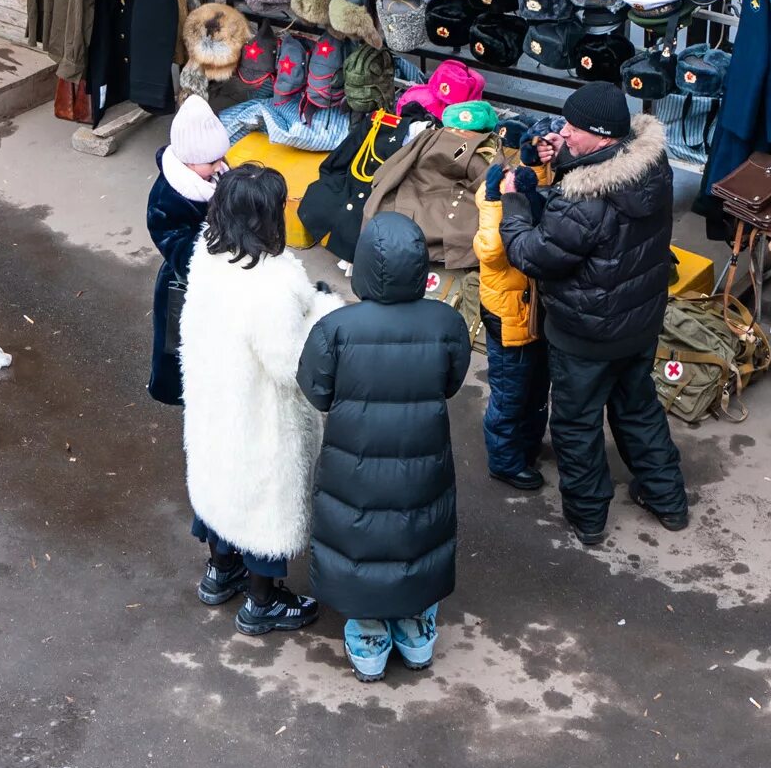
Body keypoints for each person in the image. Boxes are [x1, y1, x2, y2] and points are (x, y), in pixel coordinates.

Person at [499, 83, 688, 546]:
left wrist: (515, 203)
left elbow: (533, 255)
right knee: (638, 409)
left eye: (573, 128)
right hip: (638, 323)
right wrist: (563, 157)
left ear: (603, 138)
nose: (563, 132)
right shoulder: (651, 165)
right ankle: (669, 502)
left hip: (585, 335)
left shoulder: (583, 201)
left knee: (577, 424)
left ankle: (588, 518)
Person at [299, 213, 471, 682]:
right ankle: (416, 633)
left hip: (352, 460)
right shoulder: (446, 321)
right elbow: (451, 384)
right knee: (416, 531)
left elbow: (315, 391)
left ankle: (369, 635)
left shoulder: (336, 328)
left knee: (361, 534)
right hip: (424, 454)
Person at [181, 164, 339, 634]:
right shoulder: (273, 284)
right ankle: (262, 602)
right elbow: (289, 366)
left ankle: (219, 572)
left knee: (221, 490)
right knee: (261, 504)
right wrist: (324, 309)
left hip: (216, 402)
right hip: (261, 417)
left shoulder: (207, 256)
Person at [474, 118, 559, 490]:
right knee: (509, 397)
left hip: (536, 318)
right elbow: (492, 251)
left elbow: (535, 193)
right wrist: (498, 201)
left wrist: (534, 162)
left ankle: (527, 446)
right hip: (508, 322)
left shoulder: (519, 194)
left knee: (537, 391)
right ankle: (504, 462)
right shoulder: (490, 206)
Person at [146, 96, 229, 405]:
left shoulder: (212, 173)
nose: (220, 165)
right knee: (176, 341)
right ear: (189, 161)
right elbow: (170, 239)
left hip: (215, 272)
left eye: (222, 158)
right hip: (182, 279)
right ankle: (171, 389)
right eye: (212, 162)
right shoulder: (167, 197)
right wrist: (209, 252)